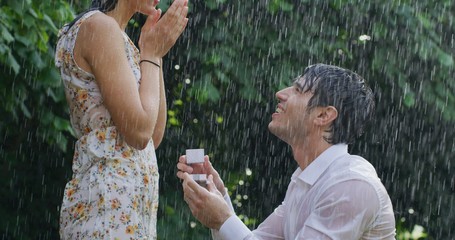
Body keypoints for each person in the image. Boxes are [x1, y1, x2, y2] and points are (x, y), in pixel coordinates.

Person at [177, 64, 396, 239]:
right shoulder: (305, 179)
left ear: (323, 116)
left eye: (298, 90)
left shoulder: (351, 185)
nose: (280, 94)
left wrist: (223, 219)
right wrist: (220, 198)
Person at [55, 0, 188, 238]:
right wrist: (151, 53)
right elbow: (138, 132)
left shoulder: (122, 40)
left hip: (128, 212)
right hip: (104, 208)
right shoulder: (99, 27)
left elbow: (152, 137)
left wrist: (153, 53)